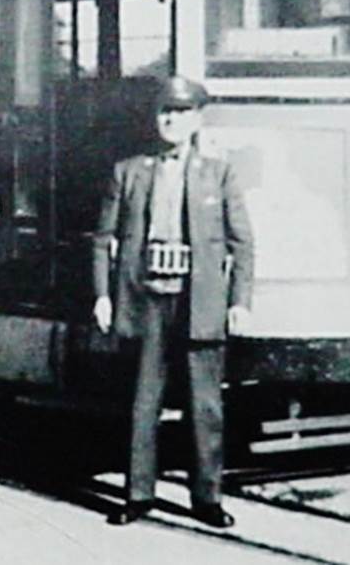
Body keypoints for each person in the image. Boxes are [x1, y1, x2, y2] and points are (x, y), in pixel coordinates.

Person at [92, 76, 254, 529]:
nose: (171, 120)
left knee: (205, 406)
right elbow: (103, 239)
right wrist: (103, 296)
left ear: (197, 119)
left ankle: (207, 498)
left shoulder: (218, 172)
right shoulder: (129, 171)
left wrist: (239, 302)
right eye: (165, 111)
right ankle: (137, 495)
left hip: (198, 302)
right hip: (147, 299)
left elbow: (243, 244)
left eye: (181, 113)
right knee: (143, 402)